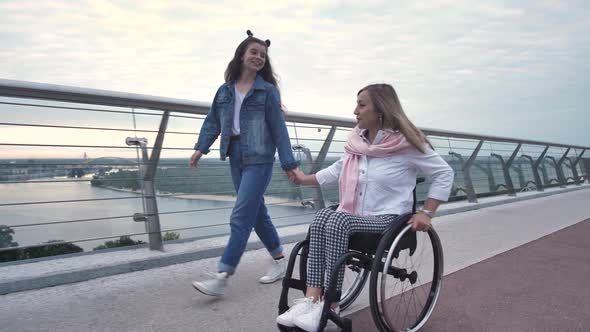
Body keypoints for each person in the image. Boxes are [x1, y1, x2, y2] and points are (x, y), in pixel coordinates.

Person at [278, 83, 454, 331]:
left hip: (389, 218)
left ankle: (330, 305)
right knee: (321, 218)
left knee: (338, 220)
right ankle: (311, 299)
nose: (355, 111)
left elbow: (444, 174)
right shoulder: (357, 142)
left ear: (380, 109)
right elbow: (337, 170)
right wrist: (304, 179)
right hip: (356, 213)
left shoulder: (408, 144)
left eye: (361, 105)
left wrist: (427, 212)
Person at [189, 30, 299, 297]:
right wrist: (199, 150)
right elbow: (213, 121)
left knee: (240, 216)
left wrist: (288, 163)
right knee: (256, 212)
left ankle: (222, 274)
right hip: (235, 154)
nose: (259, 57)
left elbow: (278, 128)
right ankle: (280, 261)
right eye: (254, 52)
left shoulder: (268, 91)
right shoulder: (224, 91)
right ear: (241, 54)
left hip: (260, 157)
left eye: (263, 55)